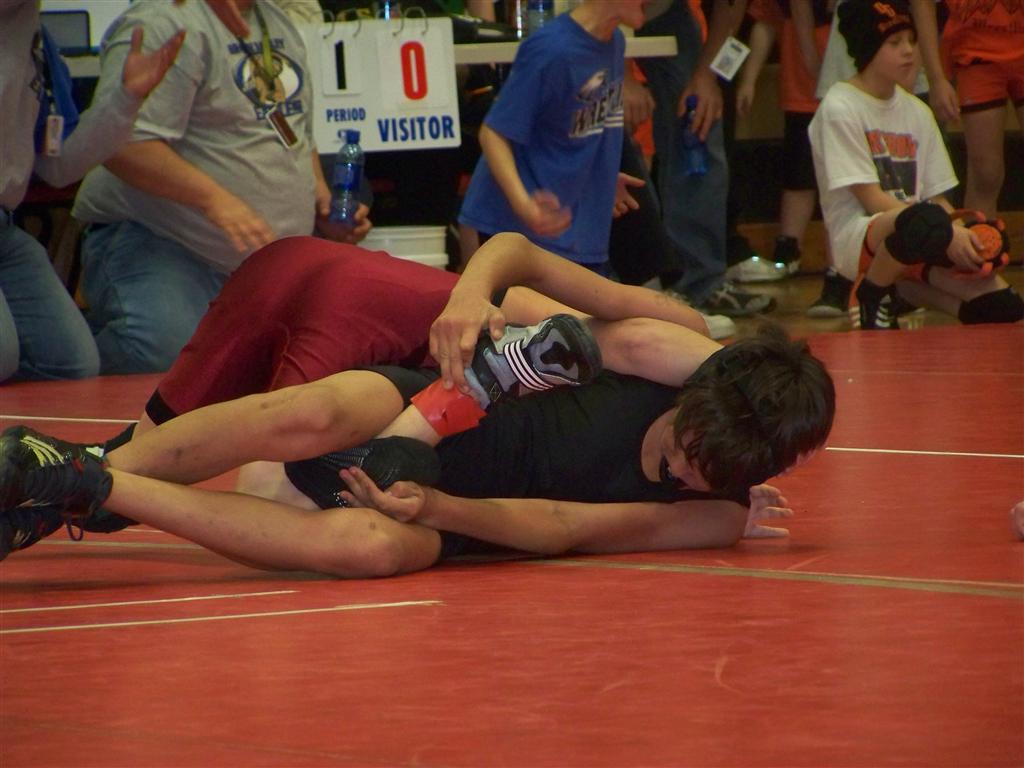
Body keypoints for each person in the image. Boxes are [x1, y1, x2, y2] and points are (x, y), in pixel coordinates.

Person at [0, 321, 834, 576]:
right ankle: (79, 470)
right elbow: (536, 311)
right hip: (442, 410)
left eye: (708, 475)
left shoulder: (713, 515)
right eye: (689, 445)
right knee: (327, 407)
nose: (682, 471)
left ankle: (88, 483)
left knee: (369, 549)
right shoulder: (659, 355)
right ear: (697, 392)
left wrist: (435, 506)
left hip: (459, 515)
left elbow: (561, 527)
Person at [70, 0, 371, 375]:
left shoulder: (274, 20)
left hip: (265, 260)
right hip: (161, 240)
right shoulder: (166, 22)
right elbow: (121, 145)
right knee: (168, 357)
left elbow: (291, 130)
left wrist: (319, 197)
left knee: (324, 356)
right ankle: (70, 362)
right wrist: (216, 201)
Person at [808, 0, 1023, 330]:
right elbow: (870, 199)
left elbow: (937, 197)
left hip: (921, 236)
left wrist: (970, 239)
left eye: (911, 40)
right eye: (895, 43)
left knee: (1005, 308)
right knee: (925, 219)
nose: (909, 51)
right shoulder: (840, 107)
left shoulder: (917, 111)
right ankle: (870, 293)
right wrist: (946, 231)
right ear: (868, 49)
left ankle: (903, 293)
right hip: (861, 237)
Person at [0, 0, 183, 382]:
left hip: (5, 225)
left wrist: (126, 101)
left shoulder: (33, 39)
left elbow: (57, 166)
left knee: (70, 364)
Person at [457, 0, 648, 275]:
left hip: (574, 227)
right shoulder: (551, 49)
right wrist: (524, 205)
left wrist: (601, 177)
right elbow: (494, 134)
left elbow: (575, 125)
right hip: (518, 227)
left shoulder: (614, 41)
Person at [627, 0, 776, 318]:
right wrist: (621, 75)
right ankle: (629, 284)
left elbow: (728, 10)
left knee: (699, 121)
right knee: (611, 120)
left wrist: (706, 77)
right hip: (590, 12)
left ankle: (699, 283)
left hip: (665, 10)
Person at [733, 0, 831, 285]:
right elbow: (765, 23)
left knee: (845, 179)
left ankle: (844, 261)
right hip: (801, 89)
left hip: (846, 86)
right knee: (799, 173)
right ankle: (788, 252)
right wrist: (749, 79)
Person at [909, 0, 1024, 220]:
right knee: (986, 173)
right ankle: (982, 240)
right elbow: (922, 4)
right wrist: (936, 79)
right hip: (976, 50)